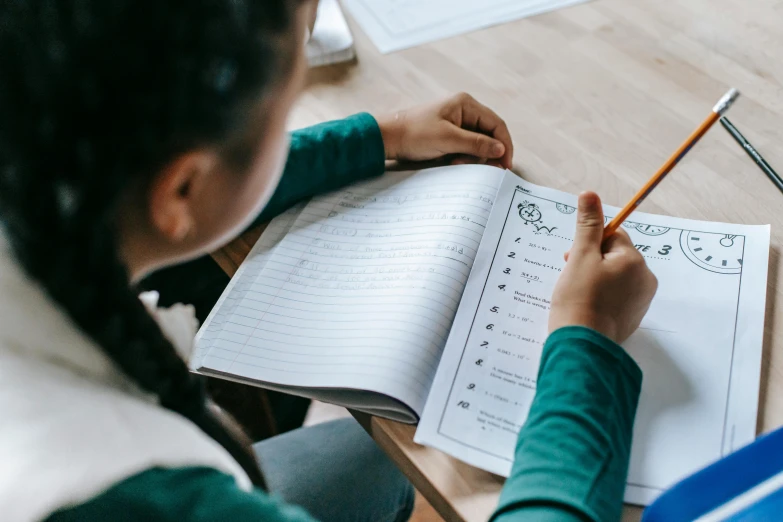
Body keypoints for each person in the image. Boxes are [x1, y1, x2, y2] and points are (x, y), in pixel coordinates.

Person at [0, 2, 656, 522]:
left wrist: (379, 134)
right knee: (393, 463)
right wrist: (585, 344)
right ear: (180, 187)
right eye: (285, 104)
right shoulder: (136, 497)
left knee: (367, 459)